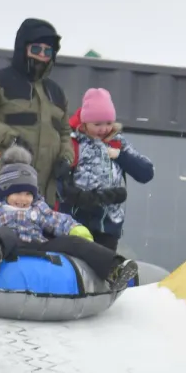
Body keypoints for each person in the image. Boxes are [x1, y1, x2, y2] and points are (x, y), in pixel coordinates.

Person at [0, 145, 137, 289]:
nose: (23, 199)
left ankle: (114, 269)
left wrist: (76, 231)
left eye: (28, 194)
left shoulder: (38, 208)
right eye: (18, 193)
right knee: (2, 233)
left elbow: (58, 220)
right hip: (9, 244)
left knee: (72, 242)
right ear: (6, 192)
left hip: (37, 244)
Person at [0, 18, 70, 202]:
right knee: (1, 231)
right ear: (23, 49)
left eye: (48, 51)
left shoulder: (56, 92)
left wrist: (66, 158)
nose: (42, 56)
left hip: (43, 195)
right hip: (3, 188)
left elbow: (66, 134)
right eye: (36, 49)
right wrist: (11, 138)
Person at [60, 88, 155, 253]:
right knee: (78, 264)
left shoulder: (117, 143)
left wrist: (120, 156)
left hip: (108, 226)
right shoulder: (74, 143)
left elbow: (146, 172)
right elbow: (60, 178)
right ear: (84, 123)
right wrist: (76, 196)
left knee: (102, 267)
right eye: (97, 124)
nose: (104, 129)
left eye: (108, 123)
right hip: (77, 222)